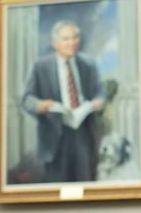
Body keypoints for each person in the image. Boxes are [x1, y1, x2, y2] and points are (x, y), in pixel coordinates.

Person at [22, 20, 106, 182]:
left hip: (83, 134)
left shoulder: (88, 64)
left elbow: (100, 92)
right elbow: (27, 99)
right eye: (66, 39)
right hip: (54, 137)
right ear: (55, 43)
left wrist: (98, 102)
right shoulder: (41, 66)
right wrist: (40, 105)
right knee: (57, 188)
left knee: (85, 184)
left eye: (75, 38)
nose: (72, 43)